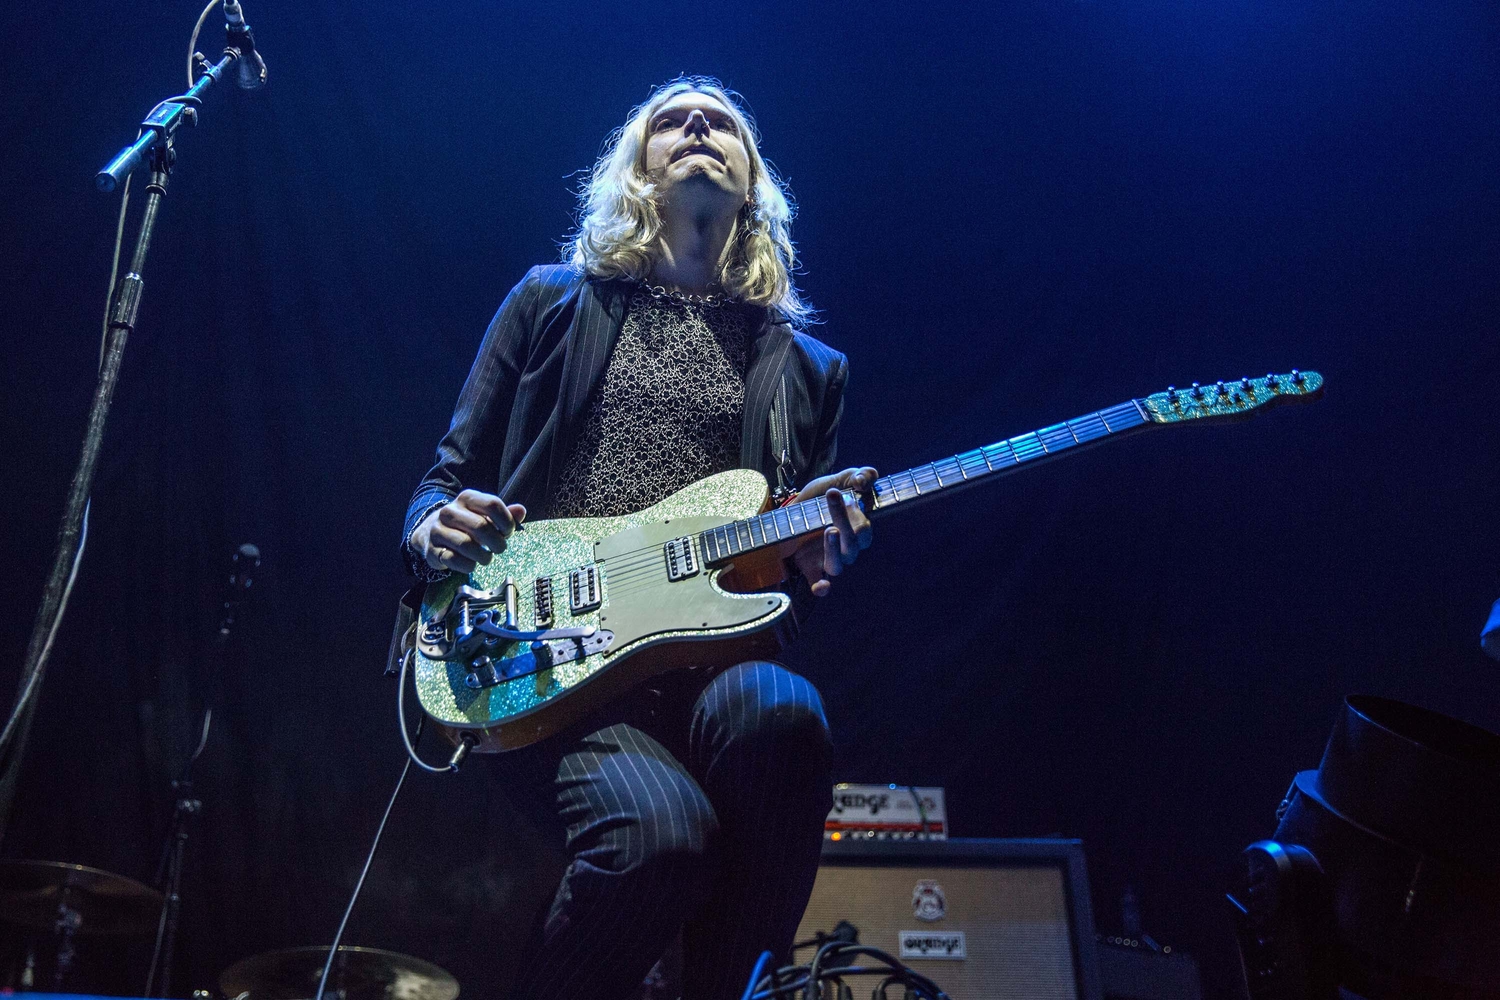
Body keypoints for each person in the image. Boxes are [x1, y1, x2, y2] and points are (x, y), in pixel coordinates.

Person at [400, 77, 876, 1000]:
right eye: (671, 120)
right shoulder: (551, 304)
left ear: (752, 184)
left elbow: (785, 578)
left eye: (724, 122)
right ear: (636, 170)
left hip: (708, 663)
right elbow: (442, 478)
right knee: (659, 840)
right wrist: (431, 530)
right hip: (551, 654)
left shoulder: (811, 370)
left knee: (783, 714)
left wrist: (815, 559)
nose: (698, 126)